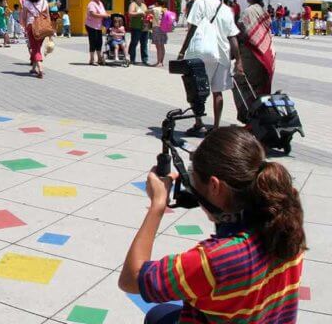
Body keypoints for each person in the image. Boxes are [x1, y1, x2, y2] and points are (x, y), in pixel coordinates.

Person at [118, 127, 305, 324]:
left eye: (194, 180)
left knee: (157, 316)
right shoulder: (287, 220)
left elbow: (130, 279)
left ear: (215, 186)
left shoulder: (214, 259)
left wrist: (157, 205)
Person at [178, 0, 243, 134]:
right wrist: (239, 61)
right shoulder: (226, 9)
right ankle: (215, 127)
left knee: (196, 89)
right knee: (217, 92)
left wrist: (182, 51)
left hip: (201, 55)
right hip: (222, 55)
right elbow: (233, 37)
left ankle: (199, 122)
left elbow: (192, 28)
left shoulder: (199, 3)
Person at [234, 0, 275, 124]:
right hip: (264, 55)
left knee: (241, 83)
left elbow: (242, 32)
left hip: (250, 56)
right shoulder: (264, 11)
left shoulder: (249, 11)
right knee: (259, 88)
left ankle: (248, 117)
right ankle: (259, 118)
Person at [19, 0, 49, 78]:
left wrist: (23, 27)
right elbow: (47, 15)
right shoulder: (44, 2)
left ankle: (40, 68)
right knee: (37, 47)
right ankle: (33, 68)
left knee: (35, 48)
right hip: (42, 27)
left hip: (31, 26)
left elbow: (23, 17)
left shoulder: (26, 3)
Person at [86, 0, 110, 66]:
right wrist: (104, 15)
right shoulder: (91, 4)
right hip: (91, 26)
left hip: (98, 26)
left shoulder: (100, 3)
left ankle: (99, 59)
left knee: (99, 42)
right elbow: (93, 14)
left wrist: (107, 15)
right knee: (93, 42)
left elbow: (103, 12)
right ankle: (92, 60)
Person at [128, 0, 151, 65]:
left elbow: (146, 14)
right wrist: (140, 13)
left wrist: (149, 16)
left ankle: (145, 60)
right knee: (134, 43)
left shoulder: (144, 5)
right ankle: (132, 59)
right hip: (136, 27)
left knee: (144, 44)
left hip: (144, 27)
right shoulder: (133, 4)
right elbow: (130, 13)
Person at [150, 0, 168, 67]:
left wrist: (153, 6)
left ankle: (158, 62)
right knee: (162, 45)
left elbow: (146, 11)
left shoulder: (155, 9)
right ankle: (161, 62)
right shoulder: (165, 9)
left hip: (157, 28)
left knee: (158, 46)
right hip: (164, 28)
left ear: (157, 3)